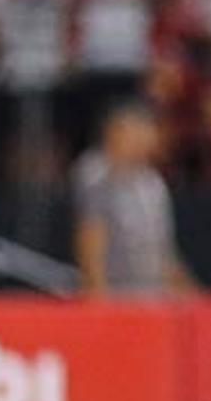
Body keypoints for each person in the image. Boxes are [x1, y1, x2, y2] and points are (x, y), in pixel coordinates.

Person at [72, 101, 196, 297]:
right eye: (141, 133)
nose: (149, 140)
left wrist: (191, 295)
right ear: (117, 132)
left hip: (152, 297)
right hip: (117, 296)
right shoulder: (96, 174)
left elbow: (162, 250)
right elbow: (91, 235)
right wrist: (97, 292)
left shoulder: (153, 183)